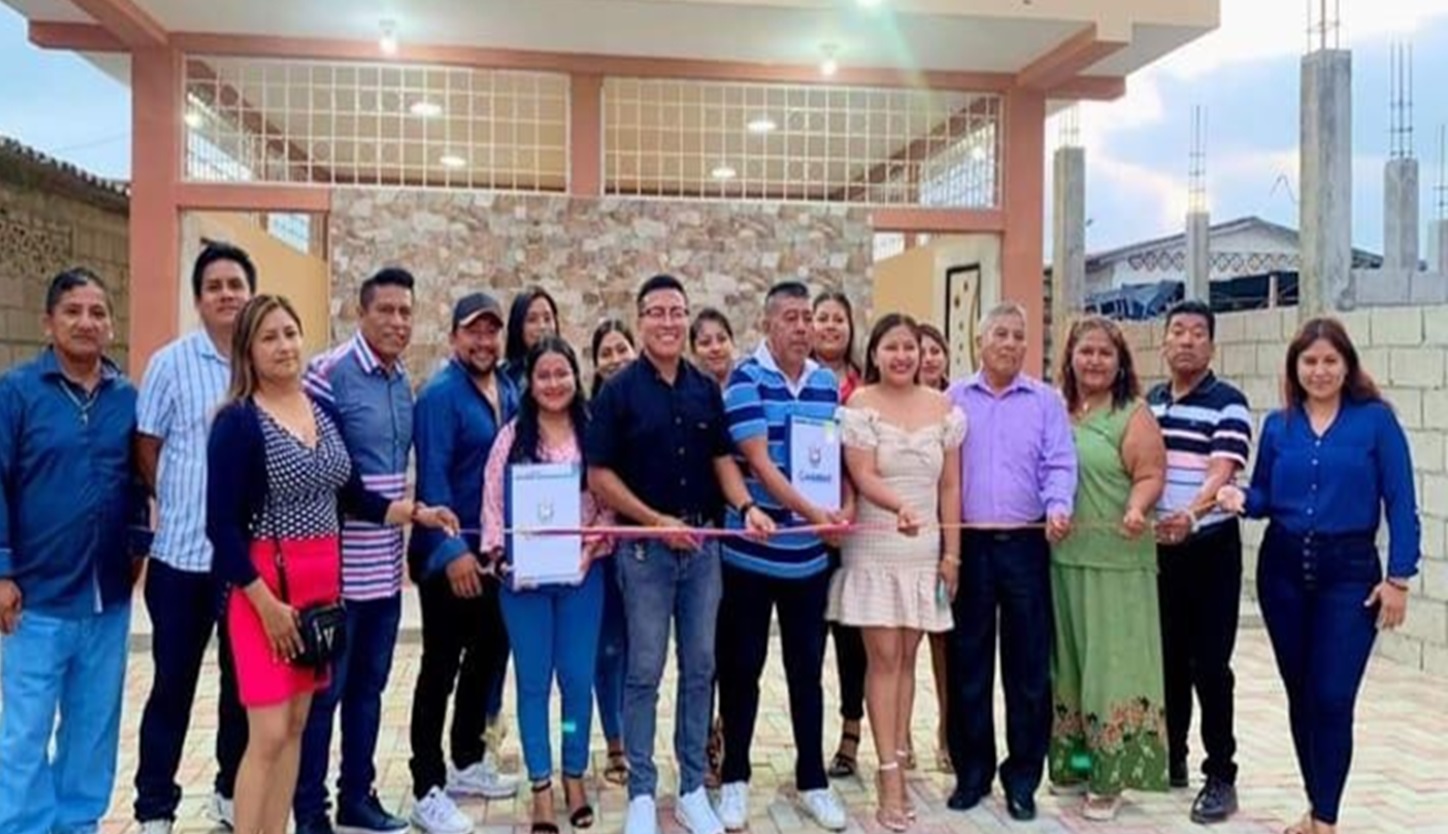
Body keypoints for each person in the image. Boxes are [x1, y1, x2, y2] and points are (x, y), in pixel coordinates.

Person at [206, 294, 455, 834]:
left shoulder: (321, 410)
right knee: (268, 733)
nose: (284, 346)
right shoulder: (238, 421)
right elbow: (220, 529)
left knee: (297, 725)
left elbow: (352, 495)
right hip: (265, 591)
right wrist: (265, 604)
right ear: (248, 350)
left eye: (290, 333)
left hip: (320, 593)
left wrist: (415, 512)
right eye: (269, 337)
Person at [585, 274, 773, 834]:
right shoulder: (619, 392)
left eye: (677, 312)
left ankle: (692, 786)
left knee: (700, 668)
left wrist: (746, 506)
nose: (668, 322)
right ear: (640, 319)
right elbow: (599, 476)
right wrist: (654, 521)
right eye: (657, 312)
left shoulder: (703, 388)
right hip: (645, 553)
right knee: (644, 671)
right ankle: (642, 792)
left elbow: (721, 459)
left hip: (703, 551)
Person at [1217, 317, 1418, 834]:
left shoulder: (1375, 422)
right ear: (1295, 367)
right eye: (1310, 361)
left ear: (1347, 365)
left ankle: (1325, 821)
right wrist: (1241, 498)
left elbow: (1401, 502)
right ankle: (1317, 807)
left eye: (1330, 360)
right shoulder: (1279, 426)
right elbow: (1265, 494)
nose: (1320, 371)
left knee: (1332, 697)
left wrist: (1399, 579)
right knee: (1301, 696)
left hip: (1349, 575)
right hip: (1282, 571)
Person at [0, 269, 151, 834]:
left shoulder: (126, 398)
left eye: (98, 312)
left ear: (111, 325)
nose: (86, 322)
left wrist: (138, 543)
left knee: (92, 732)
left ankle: (78, 825)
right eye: (73, 311)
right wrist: (2, 570)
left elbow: (137, 482)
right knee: (24, 733)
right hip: (35, 600)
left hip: (107, 599)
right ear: (49, 323)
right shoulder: (16, 393)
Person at [715, 281, 850, 833]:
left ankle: (813, 781)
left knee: (806, 672)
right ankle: (735, 778)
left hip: (808, 561)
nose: (802, 327)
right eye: (790, 317)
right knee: (741, 669)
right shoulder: (745, 379)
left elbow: (834, 459)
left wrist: (841, 510)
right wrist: (815, 513)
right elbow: (760, 463)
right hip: (751, 555)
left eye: (807, 318)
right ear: (768, 323)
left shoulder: (825, 383)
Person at [131, 243, 256, 834]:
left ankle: (230, 792)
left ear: (251, 294)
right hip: (180, 561)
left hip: (245, 566)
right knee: (171, 688)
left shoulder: (263, 362)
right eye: (215, 286)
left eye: (236, 284)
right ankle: (155, 807)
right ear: (199, 298)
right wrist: (183, 500)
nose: (226, 294)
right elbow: (146, 446)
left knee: (241, 689)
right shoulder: (170, 363)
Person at [295, 268, 418, 834]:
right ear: (361, 312)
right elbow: (330, 473)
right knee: (325, 695)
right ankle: (309, 810)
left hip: (384, 573)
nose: (396, 321)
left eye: (405, 312)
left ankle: (357, 798)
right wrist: (398, 512)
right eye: (386, 310)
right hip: (335, 574)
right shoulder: (327, 375)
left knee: (369, 690)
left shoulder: (401, 380)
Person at [831, 313, 965, 831]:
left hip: (924, 547)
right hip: (877, 544)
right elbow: (862, 474)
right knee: (883, 658)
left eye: (911, 347)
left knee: (908, 658)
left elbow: (950, 486)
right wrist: (898, 507)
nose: (903, 356)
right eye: (892, 347)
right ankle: (888, 775)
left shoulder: (944, 408)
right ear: (875, 354)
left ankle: (901, 757)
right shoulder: (859, 405)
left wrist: (951, 554)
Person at [944, 301, 1076, 822]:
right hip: (971, 546)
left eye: (1018, 336)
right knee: (968, 665)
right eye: (999, 333)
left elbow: (1059, 462)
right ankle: (971, 773)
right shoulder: (954, 399)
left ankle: (1022, 778)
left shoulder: (1046, 401)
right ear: (979, 341)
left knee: (1028, 670)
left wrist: (1059, 506)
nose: (1010, 343)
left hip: (1026, 544)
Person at [482, 337, 615, 834]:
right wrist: (503, 562)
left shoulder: (593, 433)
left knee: (577, 681)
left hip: (582, 578)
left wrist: (587, 552)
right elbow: (492, 507)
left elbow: (608, 505)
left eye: (562, 373)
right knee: (533, 683)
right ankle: (540, 783)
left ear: (576, 377)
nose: (554, 383)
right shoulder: (511, 439)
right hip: (525, 585)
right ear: (530, 383)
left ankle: (573, 772)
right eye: (544, 375)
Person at [407, 293, 521, 834]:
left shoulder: (508, 389)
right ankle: (426, 786)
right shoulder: (439, 395)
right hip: (448, 559)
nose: (483, 341)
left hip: (495, 555)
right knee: (440, 669)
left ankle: (467, 760)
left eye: (491, 331)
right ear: (454, 336)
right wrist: (452, 552)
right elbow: (432, 476)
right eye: (473, 331)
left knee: (485, 660)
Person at [1048, 316, 1169, 822]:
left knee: (1112, 670)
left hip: (1118, 561)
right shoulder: (1057, 410)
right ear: (1070, 358)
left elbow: (1151, 473)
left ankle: (1111, 776)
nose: (1094, 361)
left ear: (1120, 363)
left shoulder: (1132, 414)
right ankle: (1079, 765)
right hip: (1064, 559)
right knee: (1071, 670)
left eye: (1105, 353)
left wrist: (1137, 507)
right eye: (1086, 351)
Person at [1146, 300, 1252, 824]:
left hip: (1210, 548)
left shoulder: (1229, 403)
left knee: (1210, 665)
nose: (1186, 341)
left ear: (1211, 344)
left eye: (1197, 333)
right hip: (1158, 550)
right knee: (1167, 659)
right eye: (1178, 331)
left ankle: (1221, 775)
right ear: (1164, 341)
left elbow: (1221, 471)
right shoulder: (1150, 403)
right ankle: (1174, 757)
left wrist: (1190, 514)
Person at [810, 290, 869, 779]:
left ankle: (851, 733)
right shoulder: (799, 382)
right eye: (822, 318)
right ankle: (807, 741)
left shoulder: (866, 387)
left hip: (860, 527)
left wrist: (849, 510)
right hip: (808, 527)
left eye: (838, 319)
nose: (830, 326)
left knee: (852, 640)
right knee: (808, 640)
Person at [588, 317, 637, 786]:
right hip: (602, 551)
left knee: (641, 650)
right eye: (606, 352)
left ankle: (639, 739)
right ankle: (614, 741)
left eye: (622, 349)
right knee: (608, 648)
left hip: (645, 547)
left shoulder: (651, 406)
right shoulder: (588, 416)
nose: (616, 359)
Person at [913, 321, 952, 774]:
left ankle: (946, 732)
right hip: (903, 538)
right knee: (902, 643)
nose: (927, 358)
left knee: (945, 644)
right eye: (919, 350)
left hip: (947, 540)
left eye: (935, 350)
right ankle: (899, 735)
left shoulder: (955, 406)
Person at [503, 286, 560, 390]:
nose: (542, 326)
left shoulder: (566, 369)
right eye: (532, 320)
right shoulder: (505, 377)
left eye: (547, 319)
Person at [690, 308, 737, 388]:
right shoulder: (686, 389)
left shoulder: (750, 381)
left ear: (732, 342)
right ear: (694, 351)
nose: (716, 348)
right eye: (705, 342)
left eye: (722, 339)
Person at [917, 324, 950, 392]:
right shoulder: (899, 396)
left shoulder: (957, 395)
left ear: (946, 357)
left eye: (935, 352)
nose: (928, 359)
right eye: (921, 354)